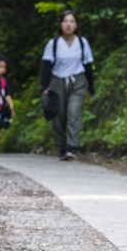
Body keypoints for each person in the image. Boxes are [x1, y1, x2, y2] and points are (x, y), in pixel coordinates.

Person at [41, 10, 95, 160]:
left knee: (74, 112)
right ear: (60, 24)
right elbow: (46, 67)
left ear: (76, 24)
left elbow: (88, 66)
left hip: (77, 81)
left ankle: (72, 147)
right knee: (58, 115)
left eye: (72, 21)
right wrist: (44, 87)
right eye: (65, 21)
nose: (68, 25)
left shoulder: (82, 43)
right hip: (58, 81)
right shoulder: (53, 44)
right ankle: (61, 147)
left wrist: (91, 86)